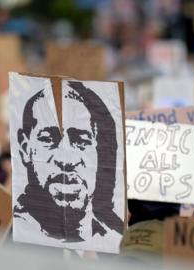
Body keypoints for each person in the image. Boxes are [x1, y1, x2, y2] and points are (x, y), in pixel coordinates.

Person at [14, 81, 123, 243]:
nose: (65, 160)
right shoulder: (7, 238)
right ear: (25, 148)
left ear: (101, 152)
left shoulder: (116, 241)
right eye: (48, 139)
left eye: (81, 141)